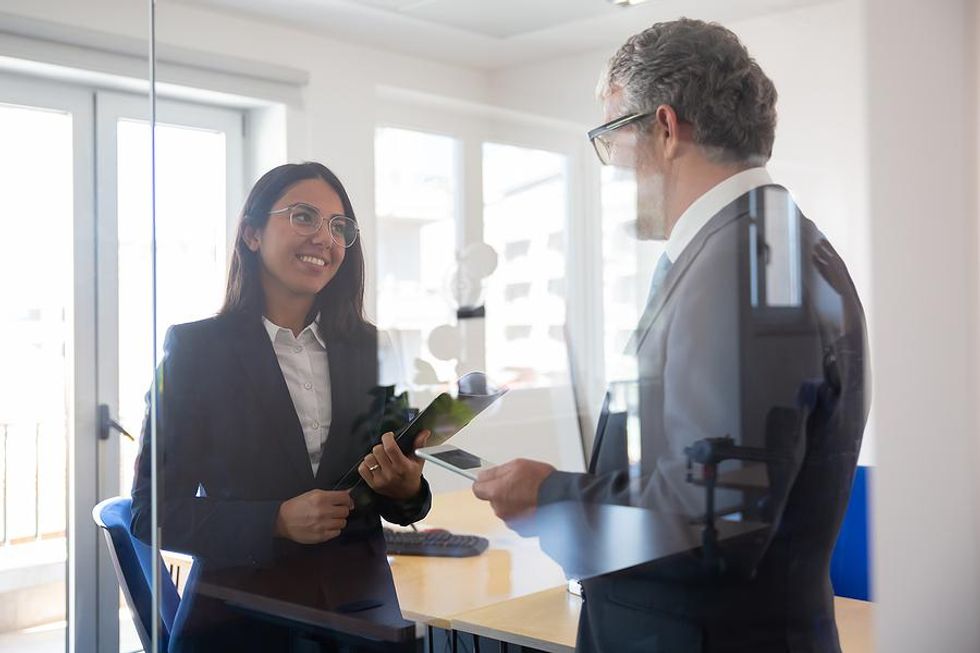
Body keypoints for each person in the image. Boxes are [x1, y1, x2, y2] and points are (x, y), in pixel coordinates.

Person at [473, 18, 869, 653]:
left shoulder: (741, 263)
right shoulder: (768, 247)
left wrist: (547, 497)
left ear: (664, 127)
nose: (611, 168)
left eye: (610, 137)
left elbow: (711, 526)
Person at [130, 162, 432, 651]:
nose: (324, 238)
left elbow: (403, 500)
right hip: (239, 621)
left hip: (360, 616)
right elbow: (150, 512)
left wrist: (407, 486)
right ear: (251, 233)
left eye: (339, 227)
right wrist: (274, 521)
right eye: (304, 216)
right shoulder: (194, 351)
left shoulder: (375, 349)